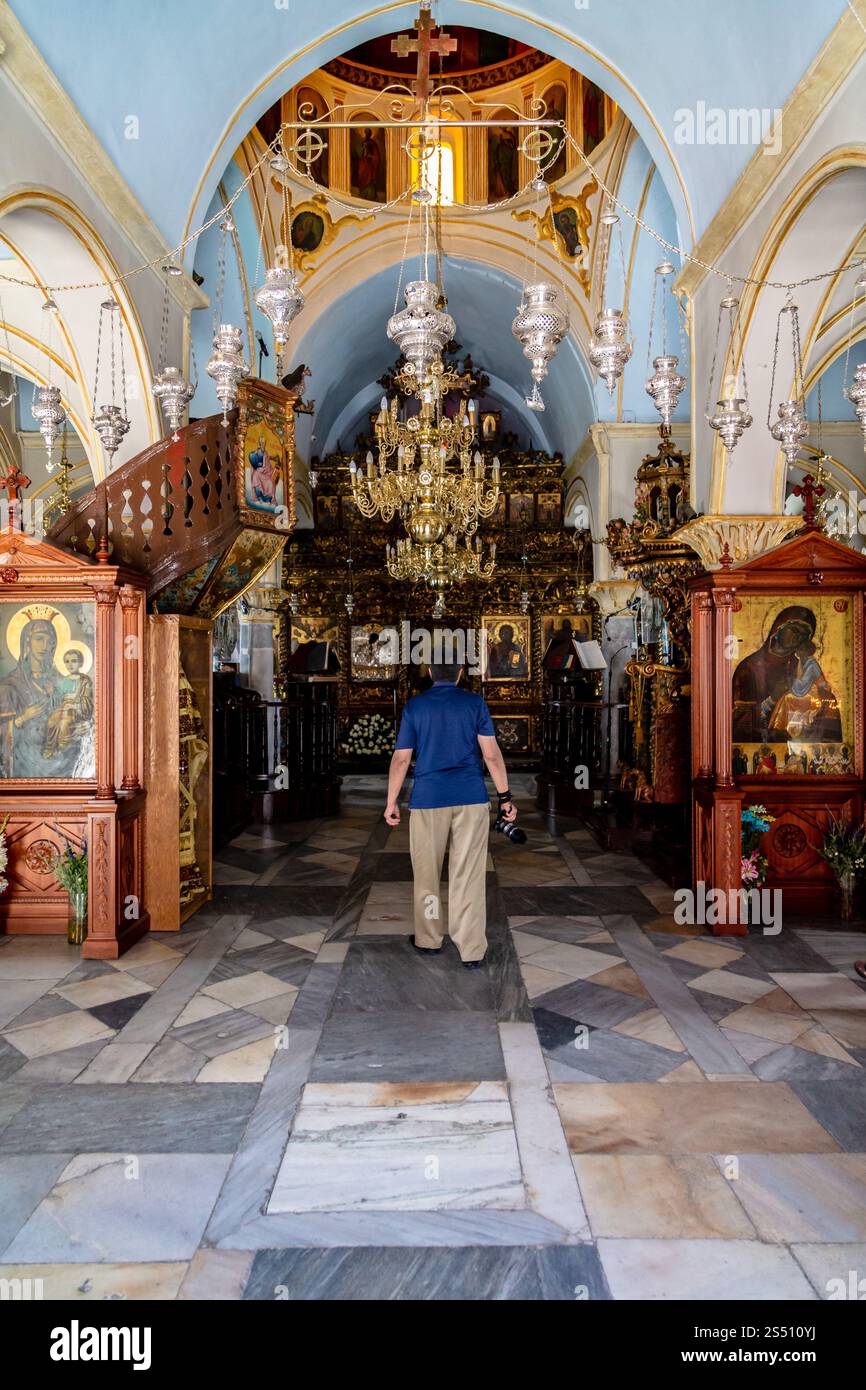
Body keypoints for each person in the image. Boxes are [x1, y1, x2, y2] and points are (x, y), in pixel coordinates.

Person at [384, 660, 517, 968]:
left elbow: (401, 760)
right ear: (460, 674)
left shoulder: (415, 706)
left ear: (430, 673)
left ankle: (429, 939)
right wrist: (506, 797)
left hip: (428, 799)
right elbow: (492, 755)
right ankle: (471, 949)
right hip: (471, 797)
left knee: (428, 874)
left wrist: (391, 802)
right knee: (468, 875)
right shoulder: (474, 703)